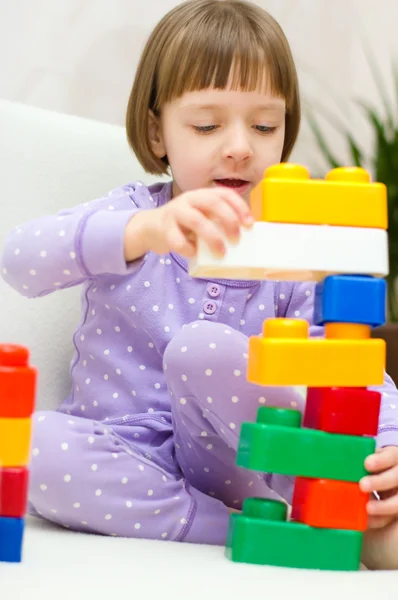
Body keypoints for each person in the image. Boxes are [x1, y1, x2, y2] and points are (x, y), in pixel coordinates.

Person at [1, 0, 398, 570]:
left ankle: (315, 508)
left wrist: (387, 441)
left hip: (241, 460)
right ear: (156, 132)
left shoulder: (295, 251)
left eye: (265, 125)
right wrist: (145, 231)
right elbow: (19, 260)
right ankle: (243, 531)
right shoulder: (132, 216)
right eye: (207, 125)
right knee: (27, 446)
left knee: (203, 348)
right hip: (127, 454)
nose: (240, 145)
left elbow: (350, 363)